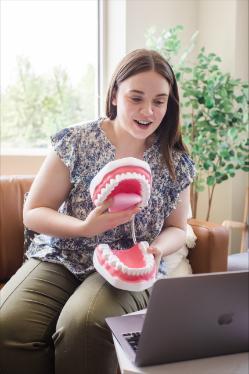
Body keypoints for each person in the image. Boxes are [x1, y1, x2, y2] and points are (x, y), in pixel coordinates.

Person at [0, 49, 195, 374]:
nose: (148, 110)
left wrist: (156, 249)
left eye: (159, 101)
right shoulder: (76, 141)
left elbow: (178, 226)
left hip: (127, 267)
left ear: (169, 103)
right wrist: (84, 228)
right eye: (136, 98)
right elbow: (33, 211)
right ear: (115, 94)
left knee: (85, 325)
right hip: (61, 255)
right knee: (9, 327)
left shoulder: (174, 160)